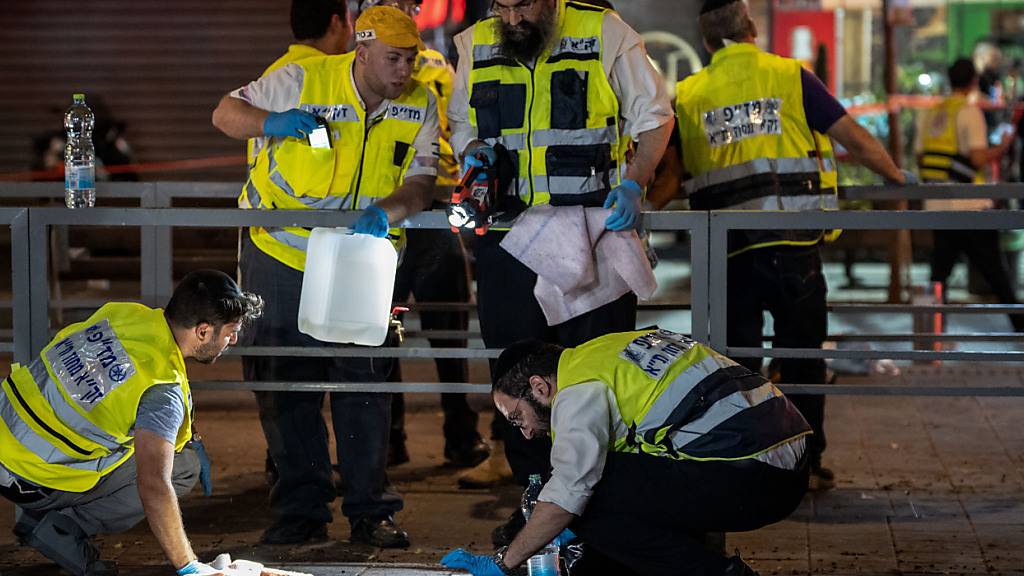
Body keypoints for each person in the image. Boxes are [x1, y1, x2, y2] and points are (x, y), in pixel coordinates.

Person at [211, 5, 439, 547]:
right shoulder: (301, 79)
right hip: (281, 256)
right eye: (392, 59)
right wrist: (272, 122)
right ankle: (301, 511)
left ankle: (371, 512)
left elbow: (424, 179)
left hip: (362, 261)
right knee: (285, 386)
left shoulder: (420, 101)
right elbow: (224, 114)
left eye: (409, 59)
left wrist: (391, 210)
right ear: (360, 51)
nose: (404, 71)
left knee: (364, 384)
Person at [446, 0, 675, 538]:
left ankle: (607, 512)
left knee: (595, 375)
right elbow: (459, 122)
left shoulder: (605, 32)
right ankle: (535, 506)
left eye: (523, 4)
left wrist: (636, 180)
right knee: (514, 377)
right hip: (508, 243)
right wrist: (473, 150)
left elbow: (655, 116)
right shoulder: (473, 41)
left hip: (591, 236)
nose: (512, 16)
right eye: (502, 4)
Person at [673, 0, 912, 491]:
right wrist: (895, 175)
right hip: (794, 244)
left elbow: (672, 174)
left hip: (729, 250)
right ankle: (805, 463)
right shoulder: (790, 76)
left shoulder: (688, 94)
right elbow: (854, 138)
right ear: (752, 29)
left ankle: (742, 460)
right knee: (803, 356)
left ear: (704, 41)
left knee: (737, 362)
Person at [441, 329, 811, 576]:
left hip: (753, 474)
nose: (524, 432)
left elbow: (569, 493)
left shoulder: (577, 390)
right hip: (786, 456)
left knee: (585, 500)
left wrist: (505, 562)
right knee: (609, 489)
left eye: (517, 416)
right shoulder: (605, 352)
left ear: (539, 386)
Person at [0, 270, 263, 576]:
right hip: (30, 477)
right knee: (181, 468)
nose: (233, 339)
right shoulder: (162, 387)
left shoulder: (124, 314)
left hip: (6, 433)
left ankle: (44, 517)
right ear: (203, 332)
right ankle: (63, 528)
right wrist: (188, 566)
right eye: (230, 331)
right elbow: (153, 484)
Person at [358, 0, 490, 470]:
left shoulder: (433, 66)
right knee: (386, 331)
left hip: (431, 211)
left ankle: (454, 433)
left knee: (444, 329)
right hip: (389, 214)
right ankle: (401, 438)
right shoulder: (361, 69)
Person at [917, 58, 1024, 333]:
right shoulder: (969, 112)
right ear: (973, 82)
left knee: (939, 275)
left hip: (937, 205)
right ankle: (1019, 324)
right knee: (996, 273)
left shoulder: (931, 113)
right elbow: (977, 158)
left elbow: (920, 156)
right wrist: (1002, 146)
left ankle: (932, 332)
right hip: (970, 205)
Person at [243, 0, 353, 174]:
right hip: (302, 196)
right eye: (349, 20)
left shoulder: (274, 72)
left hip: (263, 194)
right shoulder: (328, 76)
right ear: (335, 24)